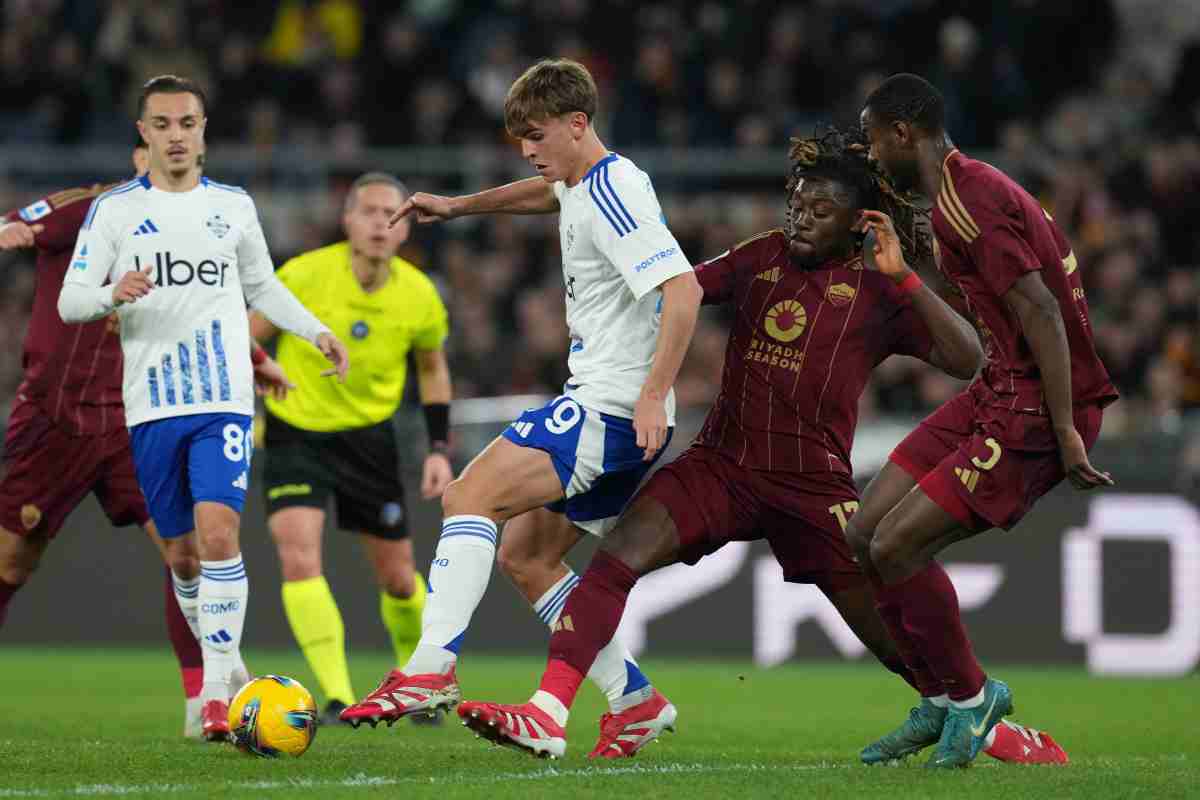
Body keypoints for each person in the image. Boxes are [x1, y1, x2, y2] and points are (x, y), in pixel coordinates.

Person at [456, 130, 1072, 765]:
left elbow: (969, 357)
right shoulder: (762, 257)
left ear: (860, 221)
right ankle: (547, 711)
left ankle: (984, 725)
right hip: (723, 466)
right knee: (616, 560)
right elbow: (679, 291)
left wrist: (907, 278)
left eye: (820, 210)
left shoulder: (882, 290)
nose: (801, 219)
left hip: (816, 490)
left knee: (891, 643)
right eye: (797, 205)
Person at [338, 58, 703, 758]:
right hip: (610, 404)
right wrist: (459, 206)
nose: (529, 152)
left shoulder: (617, 189)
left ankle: (428, 670)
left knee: (469, 494)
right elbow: (547, 197)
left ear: (577, 123)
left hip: (613, 406)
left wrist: (655, 392)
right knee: (528, 557)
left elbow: (681, 290)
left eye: (536, 136)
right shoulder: (582, 184)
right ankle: (634, 700)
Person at [58, 74, 349, 741]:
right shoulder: (116, 212)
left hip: (223, 400)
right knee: (183, 557)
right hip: (152, 407)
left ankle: (219, 693)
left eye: (187, 123)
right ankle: (228, 666)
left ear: (202, 130)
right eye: (161, 124)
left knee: (220, 536)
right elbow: (70, 301)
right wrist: (112, 291)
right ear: (144, 134)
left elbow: (263, 287)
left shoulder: (234, 206)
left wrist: (314, 331)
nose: (176, 136)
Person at [843, 73, 1118, 768]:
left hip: (1035, 407)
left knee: (898, 546)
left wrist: (1063, 429)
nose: (872, 154)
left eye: (874, 139)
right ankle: (943, 699)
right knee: (864, 532)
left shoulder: (969, 199)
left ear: (904, 132)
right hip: (998, 386)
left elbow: (1044, 313)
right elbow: (1007, 317)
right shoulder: (956, 198)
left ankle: (971, 699)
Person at [0, 137, 291, 738]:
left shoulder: (197, 230)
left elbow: (206, 311)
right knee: (10, 560)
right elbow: (12, 227)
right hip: (58, 419)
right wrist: (12, 230)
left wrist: (254, 355)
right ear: (139, 155)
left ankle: (205, 701)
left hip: (143, 415)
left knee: (189, 547)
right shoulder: (86, 208)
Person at [252, 171, 454, 726]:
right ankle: (338, 693)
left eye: (391, 212)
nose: (378, 223)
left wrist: (439, 448)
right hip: (297, 429)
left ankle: (417, 680)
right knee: (298, 554)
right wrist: (253, 380)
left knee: (397, 576)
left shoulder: (419, 294)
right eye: (366, 211)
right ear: (346, 221)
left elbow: (433, 371)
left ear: (407, 228)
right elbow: (250, 334)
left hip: (371, 438)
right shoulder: (304, 274)